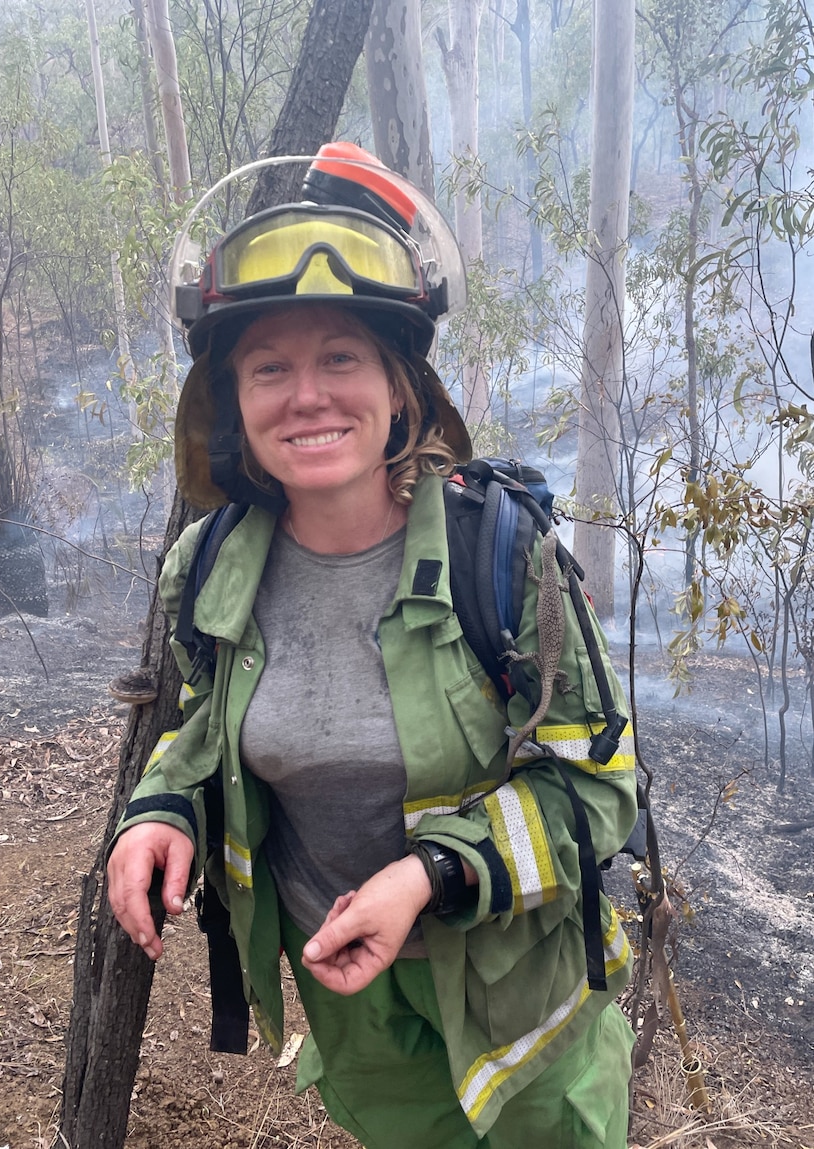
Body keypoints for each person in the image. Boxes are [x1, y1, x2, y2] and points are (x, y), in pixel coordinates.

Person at [107, 142, 638, 1149]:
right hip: (348, 1006)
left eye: (340, 358)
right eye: (269, 368)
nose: (306, 395)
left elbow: (600, 787)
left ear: (400, 389)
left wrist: (429, 876)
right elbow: (199, 727)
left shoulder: (504, 555)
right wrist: (164, 806)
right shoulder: (208, 566)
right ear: (233, 407)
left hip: (525, 1019)